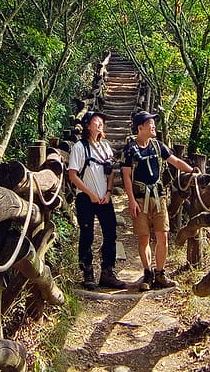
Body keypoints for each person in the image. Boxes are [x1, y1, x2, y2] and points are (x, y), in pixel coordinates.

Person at [121, 110, 196, 291]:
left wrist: (193, 171)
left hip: (158, 197)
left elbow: (175, 161)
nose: (154, 126)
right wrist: (131, 200)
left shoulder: (158, 146)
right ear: (140, 127)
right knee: (144, 238)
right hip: (140, 199)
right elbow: (126, 176)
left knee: (163, 236)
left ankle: (160, 274)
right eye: (150, 123)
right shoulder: (130, 150)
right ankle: (148, 273)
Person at [68, 110, 127, 290]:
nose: (100, 124)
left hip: (104, 198)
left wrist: (108, 192)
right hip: (85, 198)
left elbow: (110, 173)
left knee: (110, 233)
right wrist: (90, 193)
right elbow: (72, 175)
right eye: (96, 121)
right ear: (87, 125)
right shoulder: (79, 147)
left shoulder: (105, 147)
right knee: (87, 235)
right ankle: (87, 272)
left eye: (101, 121)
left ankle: (107, 272)